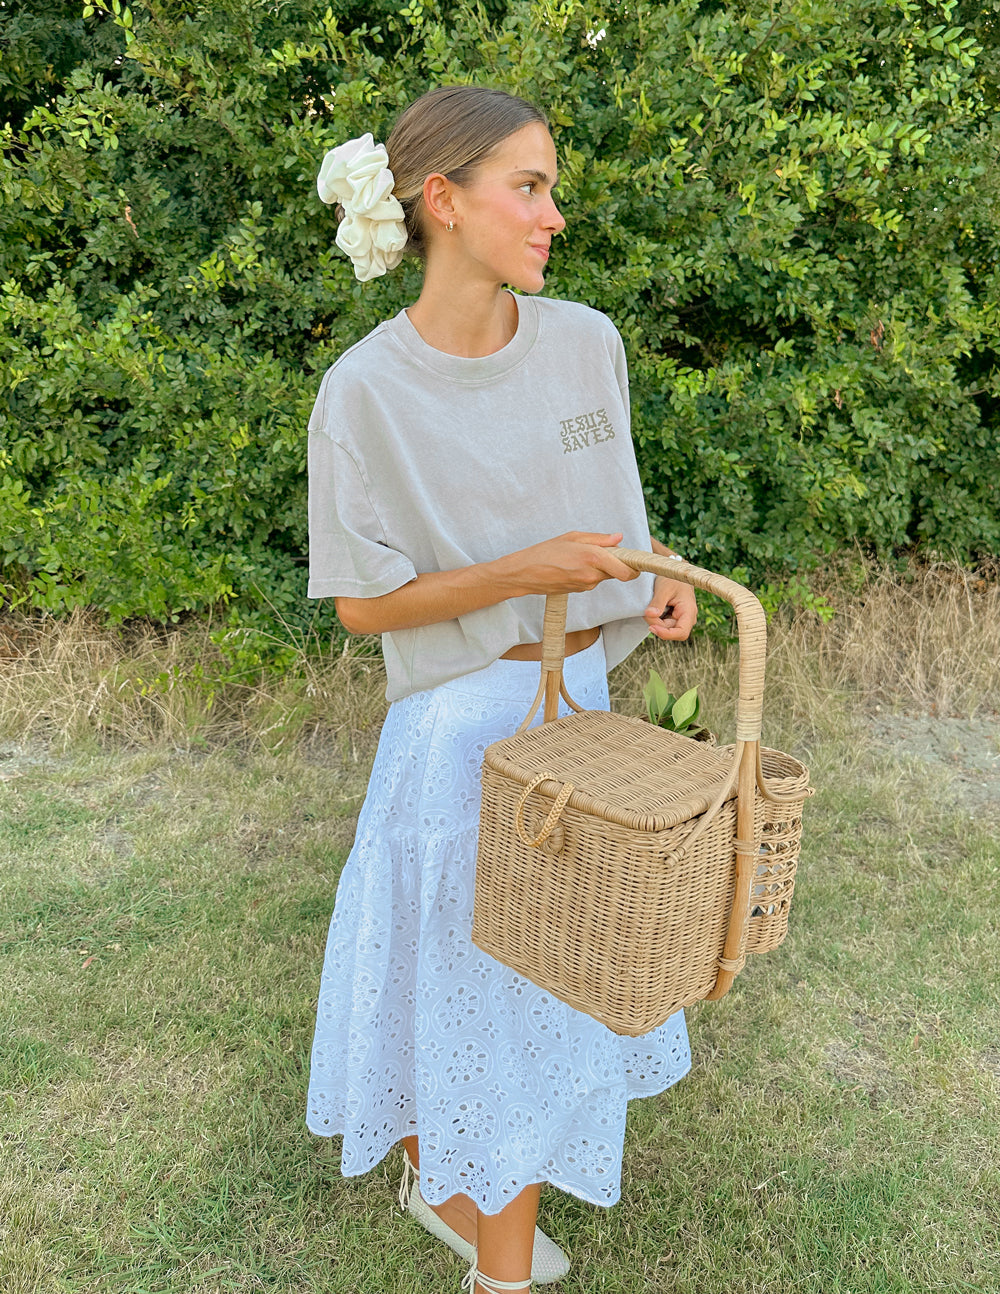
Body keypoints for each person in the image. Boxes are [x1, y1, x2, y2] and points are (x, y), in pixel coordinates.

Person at [305, 85, 698, 1294]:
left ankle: (451, 1187)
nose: (553, 214)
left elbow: (609, 526)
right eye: (527, 187)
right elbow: (365, 604)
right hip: (454, 734)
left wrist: (655, 576)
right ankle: (501, 1276)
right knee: (487, 1003)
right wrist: (524, 573)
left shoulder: (586, 341)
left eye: (550, 186)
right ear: (442, 201)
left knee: (520, 1003)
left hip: (577, 716)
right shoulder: (362, 393)